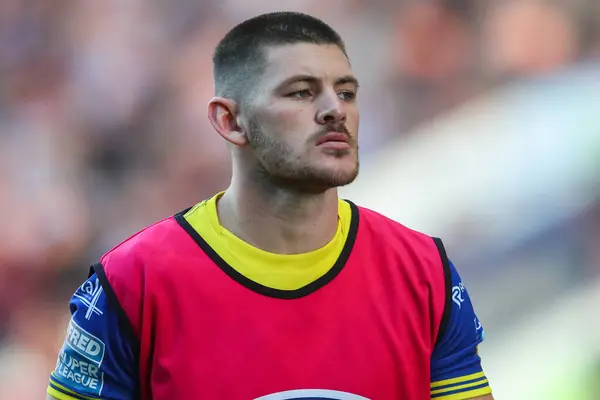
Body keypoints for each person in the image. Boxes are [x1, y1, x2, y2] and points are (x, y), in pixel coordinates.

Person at [46, 11, 493, 400]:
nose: (334, 109)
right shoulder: (132, 282)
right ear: (229, 120)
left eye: (347, 92)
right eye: (301, 91)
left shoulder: (423, 271)